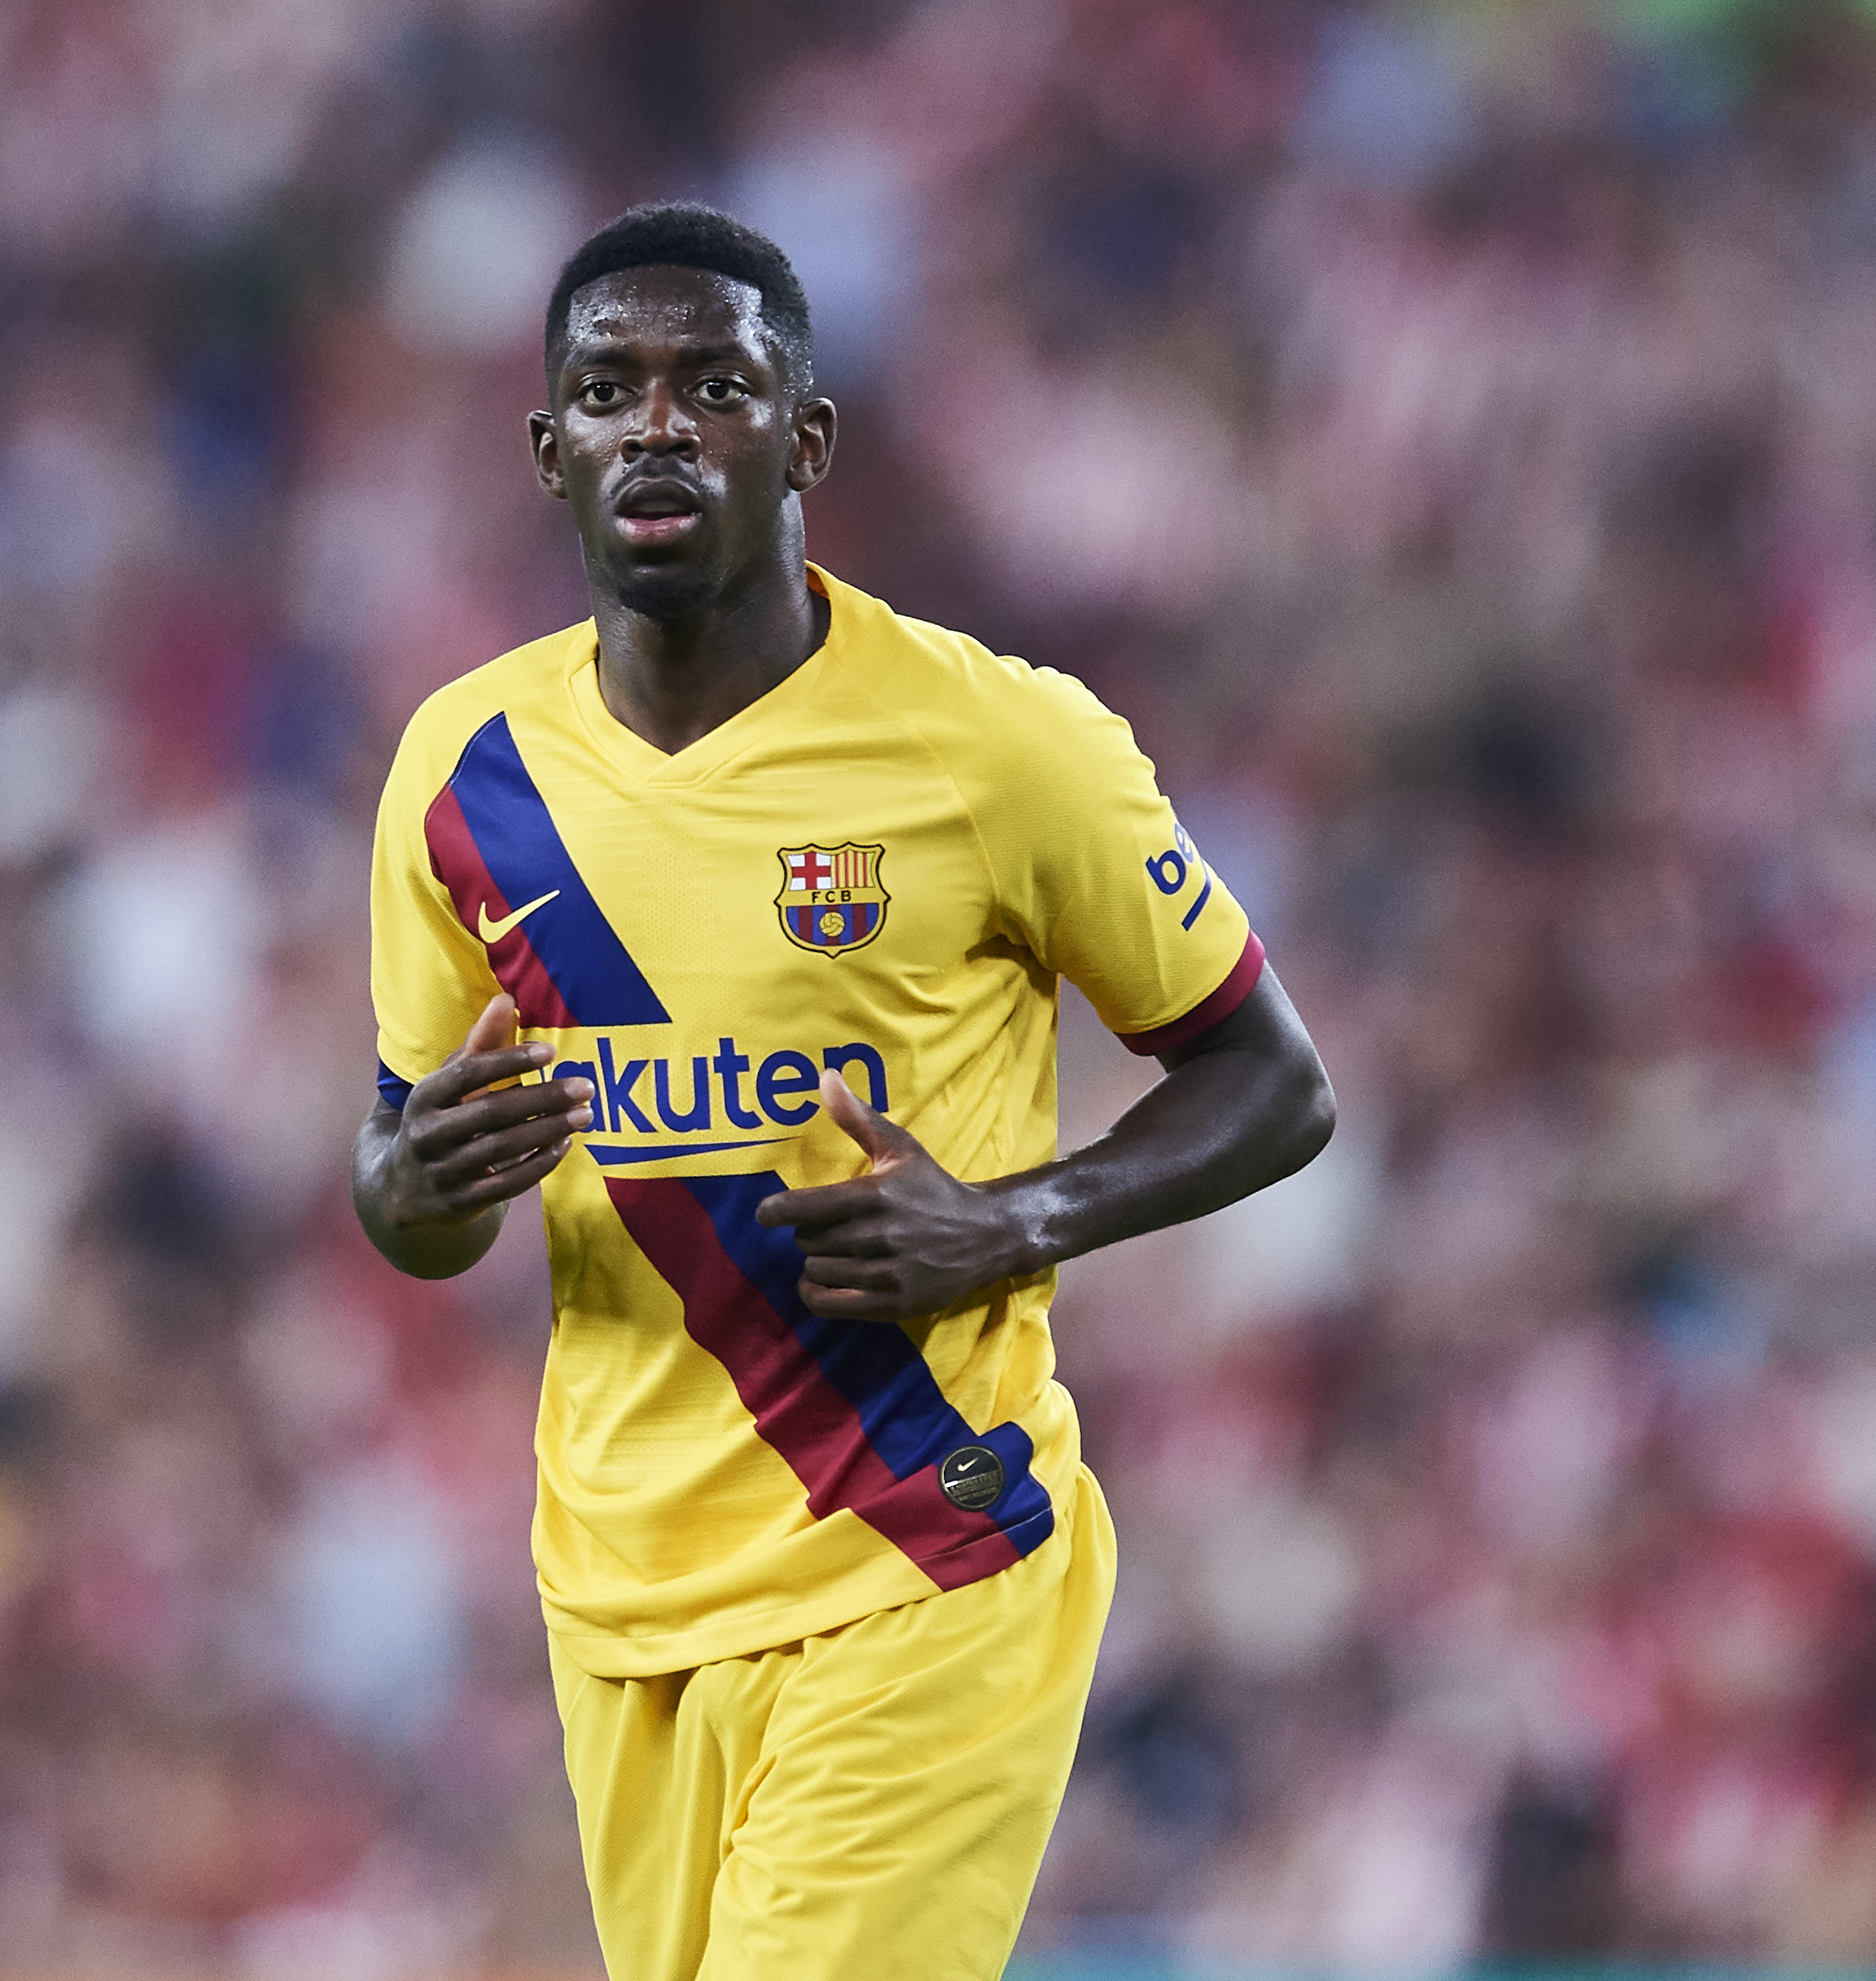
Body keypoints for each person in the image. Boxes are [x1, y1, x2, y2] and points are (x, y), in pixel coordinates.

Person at [351, 203, 1339, 1979]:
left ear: (805, 439)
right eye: (608, 391)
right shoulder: (463, 772)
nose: (658, 425)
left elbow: (1273, 1081)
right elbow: (402, 1184)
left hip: (920, 1540)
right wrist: (414, 1186)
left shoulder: (997, 742)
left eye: (714, 387)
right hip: (623, 1595)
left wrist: (1019, 1219)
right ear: (550, 451)